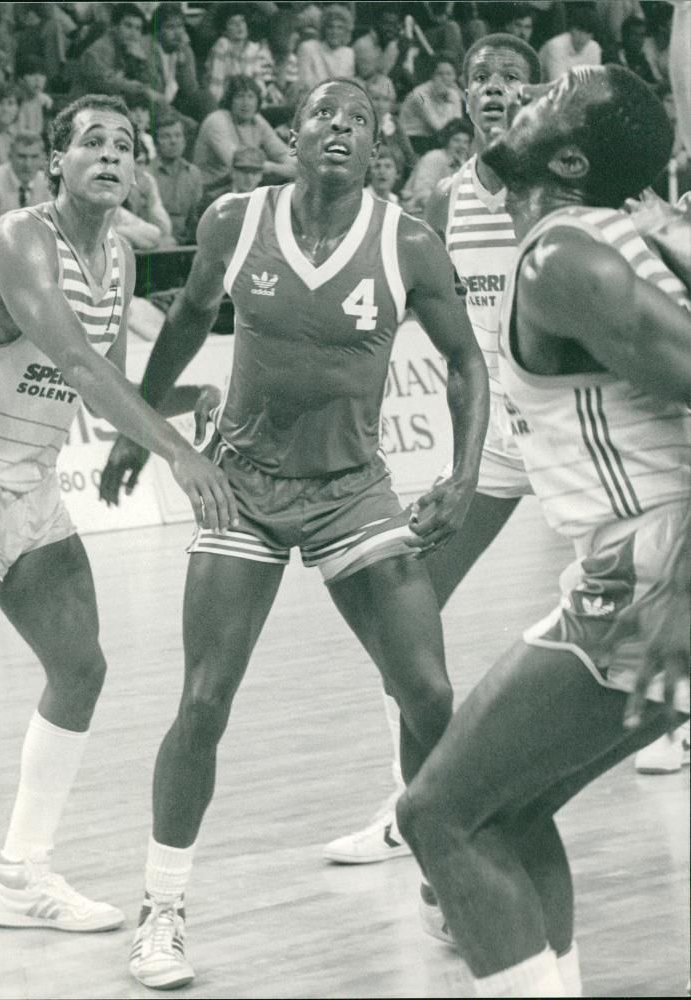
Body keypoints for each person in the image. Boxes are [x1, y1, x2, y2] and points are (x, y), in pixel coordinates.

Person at [99, 76, 490, 990]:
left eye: (360, 118)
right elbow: (191, 317)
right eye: (325, 114)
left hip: (354, 490)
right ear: (296, 132)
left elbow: (467, 362)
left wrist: (464, 476)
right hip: (245, 485)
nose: (341, 128)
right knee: (204, 699)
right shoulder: (237, 222)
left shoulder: (409, 243)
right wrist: (138, 427)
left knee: (429, 692)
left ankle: (446, 870)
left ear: (378, 143)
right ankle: (162, 909)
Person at [395, 64, 691, 999]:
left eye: (545, 95)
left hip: (653, 565)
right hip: (648, 564)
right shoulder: (600, 242)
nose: (518, 100)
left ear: (567, 156)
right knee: (507, 812)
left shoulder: (564, 257)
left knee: (438, 814)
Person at [0, 93, 236, 952]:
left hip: (30, 486)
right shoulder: (19, 239)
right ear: (54, 163)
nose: (111, 154)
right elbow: (69, 355)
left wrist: (151, 428)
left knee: (81, 669)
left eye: (126, 145)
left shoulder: (119, 259)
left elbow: (105, 379)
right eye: (92, 142)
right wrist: (178, 452)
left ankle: (21, 876)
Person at [326, 34, 541, 879]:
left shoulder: (572, 182)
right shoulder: (446, 200)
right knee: (401, 612)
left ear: (540, 93)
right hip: (492, 441)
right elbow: (434, 333)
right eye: (479, 79)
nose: (492, 90)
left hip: (572, 436)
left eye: (511, 79)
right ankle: (411, 805)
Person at [192, 74, 296, 200]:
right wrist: (274, 168)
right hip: (211, 191)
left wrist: (272, 168)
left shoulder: (257, 120)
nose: (246, 103)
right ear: (230, 100)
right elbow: (241, 164)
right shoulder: (217, 120)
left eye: (251, 97)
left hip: (244, 185)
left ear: (257, 100)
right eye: (240, 97)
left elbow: (292, 162)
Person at [147, 110, 204, 245]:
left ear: (184, 140)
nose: (173, 141)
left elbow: (195, 219)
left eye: (178, 135)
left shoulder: (194, 173)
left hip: (186, 244)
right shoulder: (147, 174)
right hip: (155, 245)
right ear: (156, 142)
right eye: (166, 136)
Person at [398, 53, 465, 157]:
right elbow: (438, 127)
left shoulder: (454, 93)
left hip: (434, 138)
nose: (445, 78)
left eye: (449, 74)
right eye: (440, 74)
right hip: (413, 138)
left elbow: (457, 125)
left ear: (455, 77)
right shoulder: (419, 94)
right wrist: (448, 102)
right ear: (432, 76)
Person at [538, 6, 602, 83]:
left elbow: (593, 83)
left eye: (588, 33)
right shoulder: (555, 46)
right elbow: (558, 85)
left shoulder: (595, 48)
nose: (582, 37)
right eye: (579, 30)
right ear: (571, 29)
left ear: (592, 35)